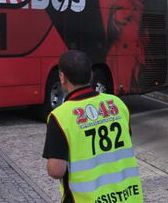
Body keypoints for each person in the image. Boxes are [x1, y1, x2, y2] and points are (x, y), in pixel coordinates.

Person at [42, 50, 143, 202]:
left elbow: (56, 170)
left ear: (62, 77)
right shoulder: (117, 104)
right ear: (90, 75)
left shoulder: (60, 116)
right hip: (128, 196)